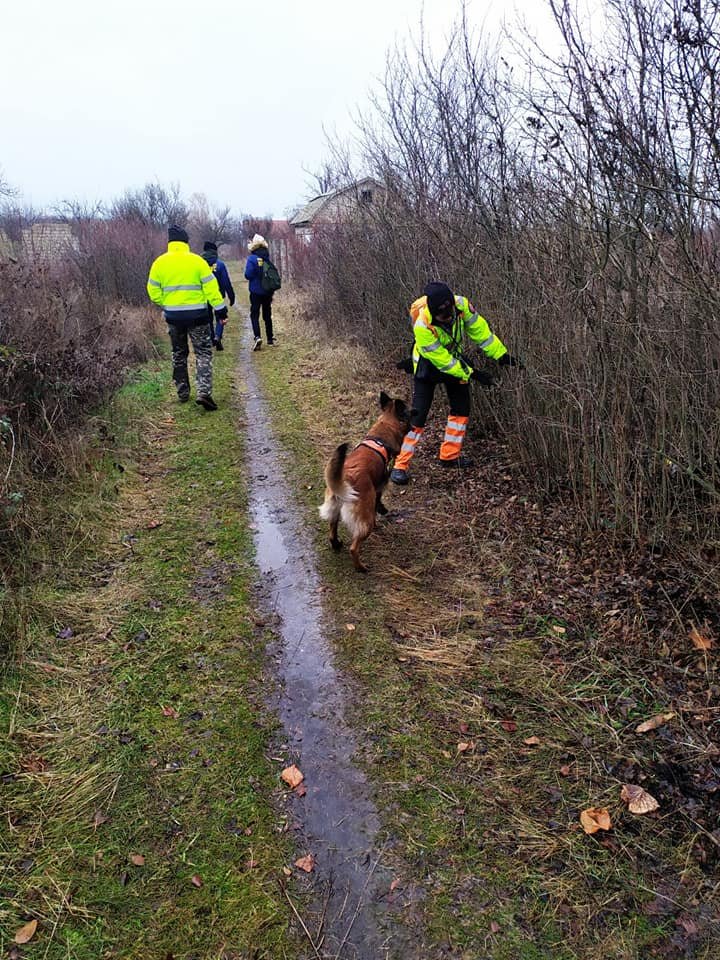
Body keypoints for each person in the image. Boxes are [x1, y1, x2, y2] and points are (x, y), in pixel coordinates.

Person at [390, 281, 523, 485]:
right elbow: (444, 362)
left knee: (461, 409)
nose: (448, 319)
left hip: (454, 361)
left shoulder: (462, 306)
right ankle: (400, 465)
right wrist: (474, 374)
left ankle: (449, 456)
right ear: (434, 314)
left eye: (450, 314)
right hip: (429, 365)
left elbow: (481, 333)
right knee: (418, 414)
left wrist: (502, 355)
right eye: (443, 318)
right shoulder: (422, 326)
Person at [146, 225, 228, 411]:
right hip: (198, 316)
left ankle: (182, 391)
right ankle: (204, 392)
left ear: (170, 242)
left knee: (178, 353)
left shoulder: (159, 263)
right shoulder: (197, 261)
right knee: (203, 353)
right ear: (186, 242)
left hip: (173, 317)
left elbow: (152, 291)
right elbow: (211, 289)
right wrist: (221, 310)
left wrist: (167, 304)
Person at [201, 240, 235, 351]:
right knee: (220, 316)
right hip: (218, 295)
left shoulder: (200, 265)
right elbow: (226, 281)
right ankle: (218, 336)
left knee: (209, 318)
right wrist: (231, 295)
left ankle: (212, 338)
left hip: (204, 296)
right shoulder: (220, 264)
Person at [245, 234, 276, 350]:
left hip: (255, 291)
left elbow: (247, 275)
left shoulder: (252, 259)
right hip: (267, 291)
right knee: (267, 314)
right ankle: (270, 338)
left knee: (254, 314)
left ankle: (257, 336)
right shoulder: (267, 257)